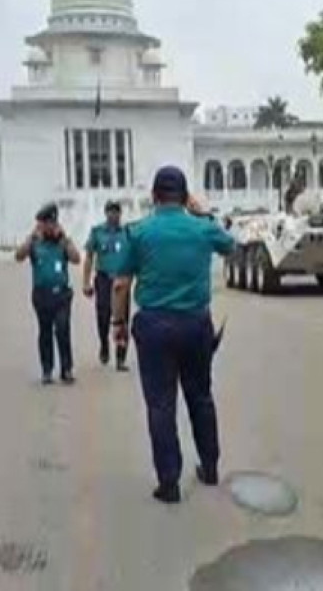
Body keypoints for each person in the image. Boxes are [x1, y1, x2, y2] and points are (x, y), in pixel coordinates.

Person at [111, 166, 234, 504]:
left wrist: (118, 325)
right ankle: (210, 466)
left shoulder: (139, 232)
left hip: (154, 328)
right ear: (185, 197)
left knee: (161, 405)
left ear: (154, 196)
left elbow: (120, 284)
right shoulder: (203, 229)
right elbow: (231, 246)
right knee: (201, 396)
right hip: (195, 325)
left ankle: (169, 483)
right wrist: (203, 214)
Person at [15, 202, 81, 385]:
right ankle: (47, 369)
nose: (48, 227)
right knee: (45, 332)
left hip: (61, 295)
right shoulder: (35, 243)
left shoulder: (63, 242)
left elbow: (76, 259)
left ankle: (66, 369)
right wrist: (30, 237)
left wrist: (65, 239)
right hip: (41, 295)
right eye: (44, 224)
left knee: (62, 329)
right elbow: (18, 256)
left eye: (51, 223)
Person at [82, 201, 131, 370]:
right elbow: (89, 257)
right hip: (103, 279)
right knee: (103, 315)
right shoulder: (97, 232)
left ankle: (120, 357)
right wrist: (86, 282)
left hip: (122, 279)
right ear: (105, 213)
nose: (113, 215)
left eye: (116, 212)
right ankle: (104, 343)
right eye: (110, 211)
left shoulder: (127, 233)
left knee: (123, 318)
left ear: (120, 214)